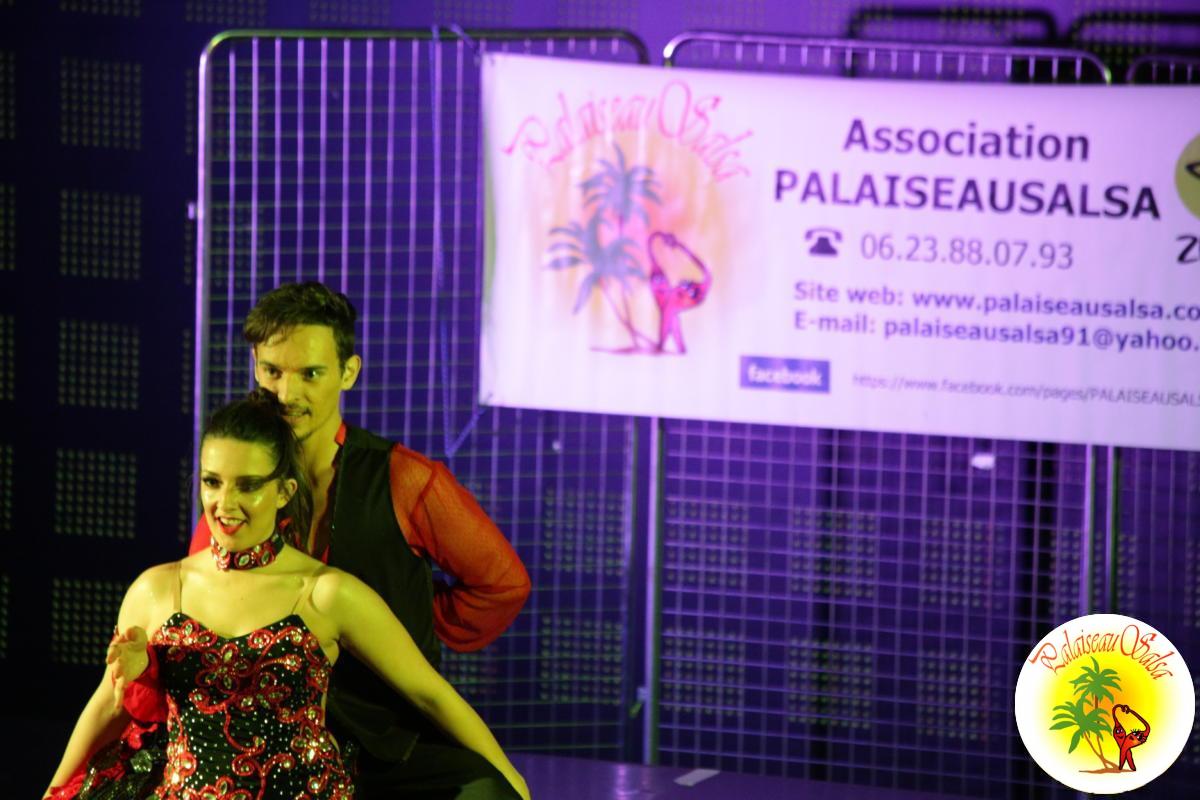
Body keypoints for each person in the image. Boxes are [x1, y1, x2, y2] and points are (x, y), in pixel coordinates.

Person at [44, 390, 530, 799]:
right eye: (212, 482)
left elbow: (430, 694)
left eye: (248, 486)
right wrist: (53, 791)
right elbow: (108, 706)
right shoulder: (156, 589)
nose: (224, 503)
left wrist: (513, 781)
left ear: (284, 491)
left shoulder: (327, 593)